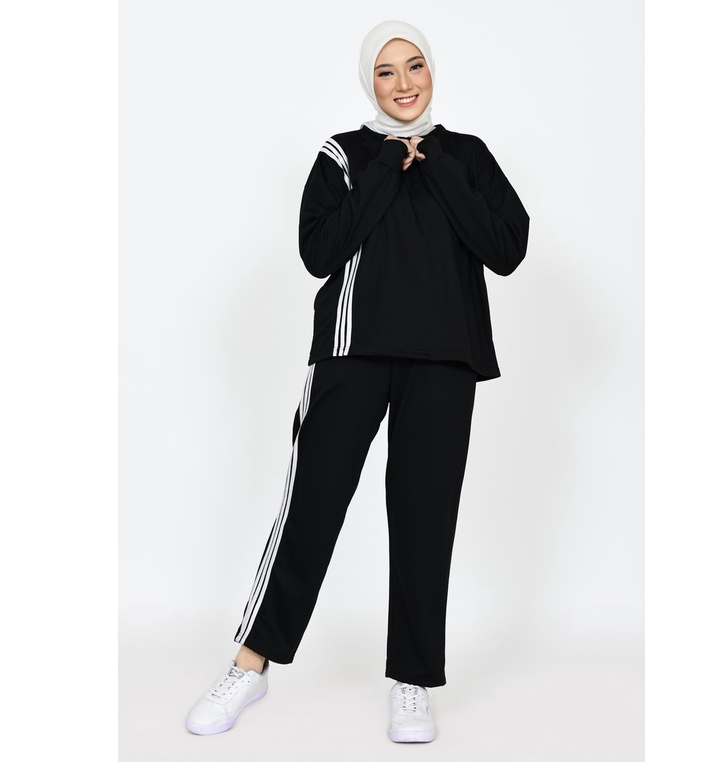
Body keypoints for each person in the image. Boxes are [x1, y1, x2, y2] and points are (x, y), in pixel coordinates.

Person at [185, 19, 530, 744]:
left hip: (445, 358)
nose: (404, 83)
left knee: (425, 519)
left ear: (432, 72)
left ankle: (413, 680)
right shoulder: (344, 153)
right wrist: (384, 169)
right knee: (312, 506)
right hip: (353, 350)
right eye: (386, 71)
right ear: (368, 81)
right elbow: (320, 251)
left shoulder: (467, 155)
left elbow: (506, 248)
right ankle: (250, 665)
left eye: (415, 67)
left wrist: (436, 168)